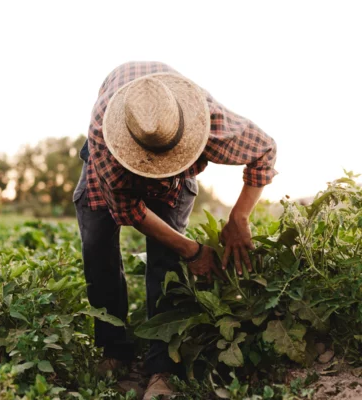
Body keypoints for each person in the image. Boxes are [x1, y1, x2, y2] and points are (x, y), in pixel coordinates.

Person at [73, 61, 277, 399]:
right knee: (97, 251)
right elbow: (129, 211)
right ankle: (115, 349)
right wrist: (193, 250)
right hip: (109, 167)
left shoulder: (208, 120)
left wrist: (239, 218)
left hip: (179, 137)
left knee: (166, 263)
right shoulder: (105, 141)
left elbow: (265, 151)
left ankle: (162, 368)